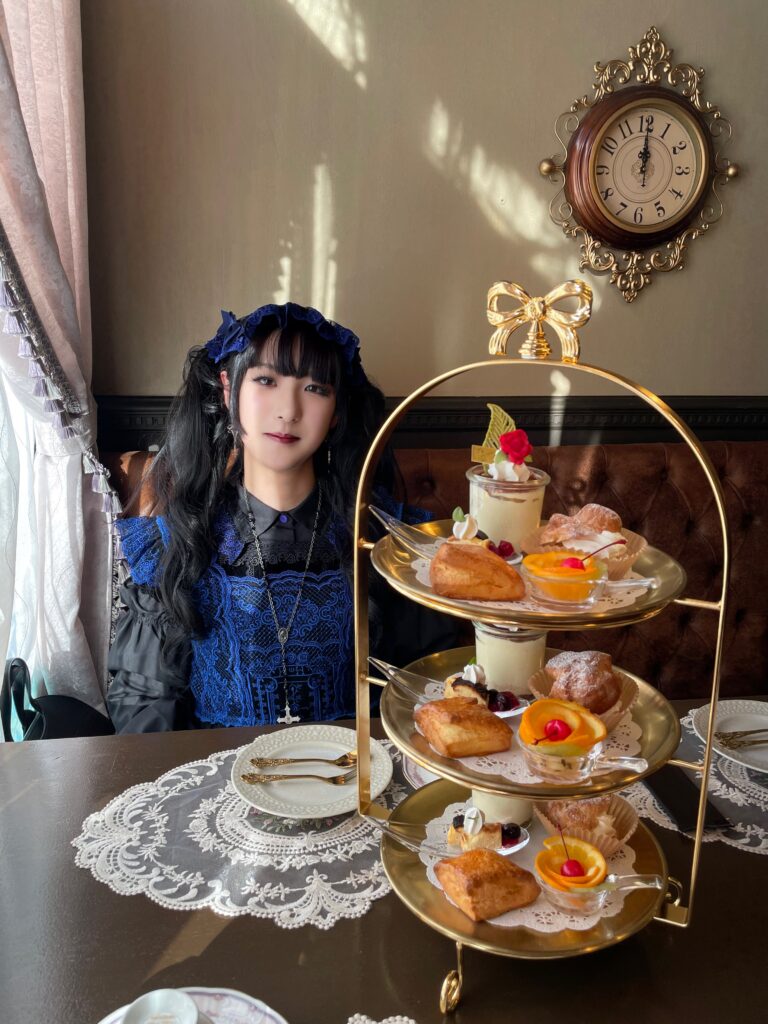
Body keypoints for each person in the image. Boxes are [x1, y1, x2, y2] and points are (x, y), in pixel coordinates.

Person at [107, 303, 454, 732]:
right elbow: (145, 702)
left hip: (355, 766)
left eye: (315, 388)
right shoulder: (177, 542)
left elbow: (427, 686)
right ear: (228, 390)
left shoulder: (388, 543)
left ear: (337, 410)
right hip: (220, 769)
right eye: (266, 380)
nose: (288, 410)